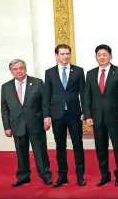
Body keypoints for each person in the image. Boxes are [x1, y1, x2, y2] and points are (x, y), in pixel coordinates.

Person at [82, 44, 118, 187]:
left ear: (110, 56)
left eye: (105, 55)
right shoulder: (90, 74)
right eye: (99, 55)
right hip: (97, 117)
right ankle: (104, 175)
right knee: (100, 148)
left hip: (115, 117)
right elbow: (87, 97)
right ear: (96, 57)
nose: (102, 57)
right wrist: (88, 115)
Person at [1, 59, 53, 187]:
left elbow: (44, 102)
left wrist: (46, 117)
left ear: (25, 68)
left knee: (40, 151)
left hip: (35, 123)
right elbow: (4, 108)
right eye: (15, 69)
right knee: (21, 152)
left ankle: (45, 175)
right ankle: (23, 176)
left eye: (21, 68)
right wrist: (7, 127)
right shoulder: (6, 87)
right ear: (11, 71)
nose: (19, 71)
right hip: (16, 124)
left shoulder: (37, 82)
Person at [42, 44, 86, 187]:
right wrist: (46, 115)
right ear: (56, 56)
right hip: (57, 115)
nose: (65, 56)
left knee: (77, 145)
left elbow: (83, 94)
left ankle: (80, 176)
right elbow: (47, 95)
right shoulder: (49, 73)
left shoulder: (78, 71)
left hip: (74, 114)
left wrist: (85, 111)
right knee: (60, 146)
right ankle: (62, 176)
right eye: (62, 54)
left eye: (68, 53)